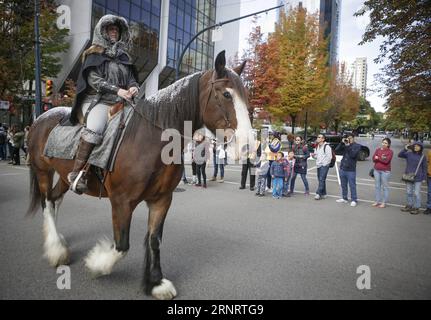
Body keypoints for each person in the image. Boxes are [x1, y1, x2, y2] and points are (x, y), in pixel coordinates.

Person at [67, 14, 139, 194]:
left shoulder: (124, 56)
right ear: (103, 31)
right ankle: (76, 173)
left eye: (116, 29)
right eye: (111, 29)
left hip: (122, 102)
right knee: (96, 128)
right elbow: (94, 80)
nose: (114, 32)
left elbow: (131, 79)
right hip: (97, 101)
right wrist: (118, 90)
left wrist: (133, 87)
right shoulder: (93, 53)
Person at [398, 142, 427, 214]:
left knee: (417, 193)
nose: (416, 147)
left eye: (418, 146)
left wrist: (424, 178)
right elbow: (400, 155)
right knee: (409, 192)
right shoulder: (409, 154)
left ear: (421, 148)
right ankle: (409, 205)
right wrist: (405, 149)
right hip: (408, 176)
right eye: (415, 146)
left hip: (418, 177)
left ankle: (416, 207)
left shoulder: (423, 156)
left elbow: (424, 167)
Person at [335, 133, 361, 207]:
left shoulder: (357, 146)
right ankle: (344, 198)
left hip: (351, 169)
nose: (348, 139)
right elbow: (336, 150)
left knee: (352, 185)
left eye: (350, 138)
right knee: (343, 184)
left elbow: (353, 155)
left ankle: (354, 200)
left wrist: (348, 146)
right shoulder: (345, 144)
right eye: (347, 138)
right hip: (343, 167)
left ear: (353, 138)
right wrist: (341, 143)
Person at [372, 138, 393, 208]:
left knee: (385, 187)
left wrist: (378, 158)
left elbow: (386, 161)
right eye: (383, 142)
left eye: (386, 143)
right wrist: (381, 158)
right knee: (377, 186)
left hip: (385, 171)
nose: (384, 144)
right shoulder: (377, 150)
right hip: (376, 170)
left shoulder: (390, 151)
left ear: (388, 144)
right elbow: (373, 159)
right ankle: (377, 201)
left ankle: (383, 202)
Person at [311, 134, 332, 200]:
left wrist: (324, 164)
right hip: (318, 165)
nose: (317, 138)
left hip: (324, 165)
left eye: (319, 137)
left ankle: (318, 193)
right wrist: (314, 156)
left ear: (323, 139)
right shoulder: (317, 146)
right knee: (321, 179)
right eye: (317, 137)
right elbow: (317, 156)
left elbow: (329, 157)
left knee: (321, 179)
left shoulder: (327, 146)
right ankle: (324, 193)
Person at [425, 149, 431, 215]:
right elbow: (427, 162)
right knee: (429, 192)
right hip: (430, 175)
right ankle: (429, 207)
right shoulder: (429, 151)